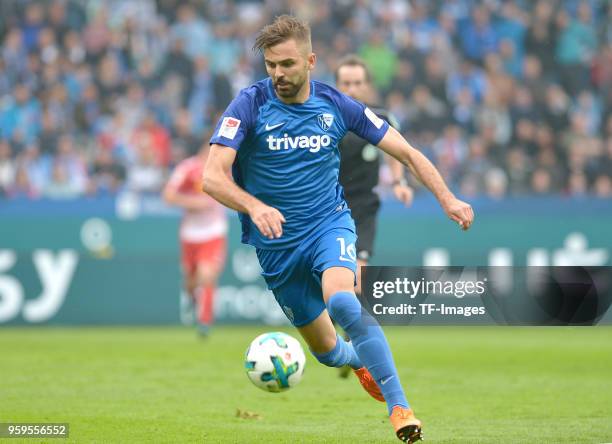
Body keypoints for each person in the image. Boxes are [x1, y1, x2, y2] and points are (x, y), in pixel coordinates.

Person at [203, 16, 473, 443]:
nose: (278, 74)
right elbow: (212, 177)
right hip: (277, 250)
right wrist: (254, 206)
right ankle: (358, 360)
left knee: (344, 302)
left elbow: (405, 150)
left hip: (329, 225)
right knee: (329, 353)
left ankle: (399, 407)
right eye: (271, 65)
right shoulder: (249, 105)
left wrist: (448, 198)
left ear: (310, 60)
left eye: (287, 64)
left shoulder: (336, 105)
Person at [335, 54, 414, 378]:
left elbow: (394, 151)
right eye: (346, 83)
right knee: (333, 282)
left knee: (357, 277)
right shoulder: (325, 117)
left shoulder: (380, 118)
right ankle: (343, 338)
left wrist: (398, 181)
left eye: (357, 83)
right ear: (337, 85)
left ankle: (353, 342)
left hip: (364, 208)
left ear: (367, 86)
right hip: (329, 207)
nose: (352, 89)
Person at [163, 145, 228, 336]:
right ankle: (193, 299)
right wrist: (194, 203)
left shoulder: (224, 169)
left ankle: (204, 322)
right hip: (190, 234)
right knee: (191, 281)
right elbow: (168, 195)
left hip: (213, 232)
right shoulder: (187, 168)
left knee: (206, 274)